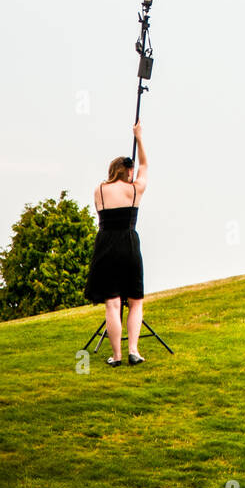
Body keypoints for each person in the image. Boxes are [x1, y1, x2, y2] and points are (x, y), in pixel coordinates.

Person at [85, 122, 148, 366]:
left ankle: (117, 356)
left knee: (112, 303)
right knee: (135, 300)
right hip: (129, 244)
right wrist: (139, 138)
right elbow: (145, 166)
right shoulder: (135, 190)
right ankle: (133, 350)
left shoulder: (99, 190)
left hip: (106, 246)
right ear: (127, 172)